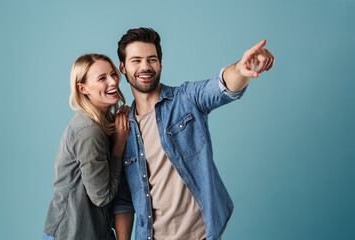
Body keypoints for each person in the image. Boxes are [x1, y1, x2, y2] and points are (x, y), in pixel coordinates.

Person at [112, 28, 275, 240]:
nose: (145, 67)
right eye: (136, 60)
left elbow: (220, 87)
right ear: (123, 67)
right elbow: (124, 200)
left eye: (151, 59)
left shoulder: (186, 99)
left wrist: (241, 69)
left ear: (160, 64)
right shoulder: (122, 129)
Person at [43, 54, 130, 240]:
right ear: (83, 89)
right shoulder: (89, 131)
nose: (113, 82)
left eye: (113, 74)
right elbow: (102, 197)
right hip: (71, 234)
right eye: (102, 78)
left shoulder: (102, 124)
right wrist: (119, 146)